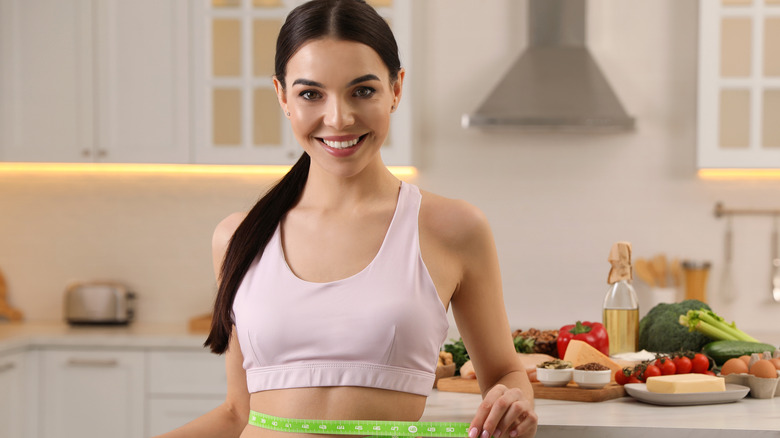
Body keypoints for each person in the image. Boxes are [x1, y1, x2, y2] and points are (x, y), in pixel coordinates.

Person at [156, 1, 536, 437]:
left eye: (363, 90)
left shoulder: (452, 227)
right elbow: (236, 413)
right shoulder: (239, 237)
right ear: (282, 96)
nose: (338, 118)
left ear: (396, 90)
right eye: (310, 93)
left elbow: (506, 372)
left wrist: (514, 401)